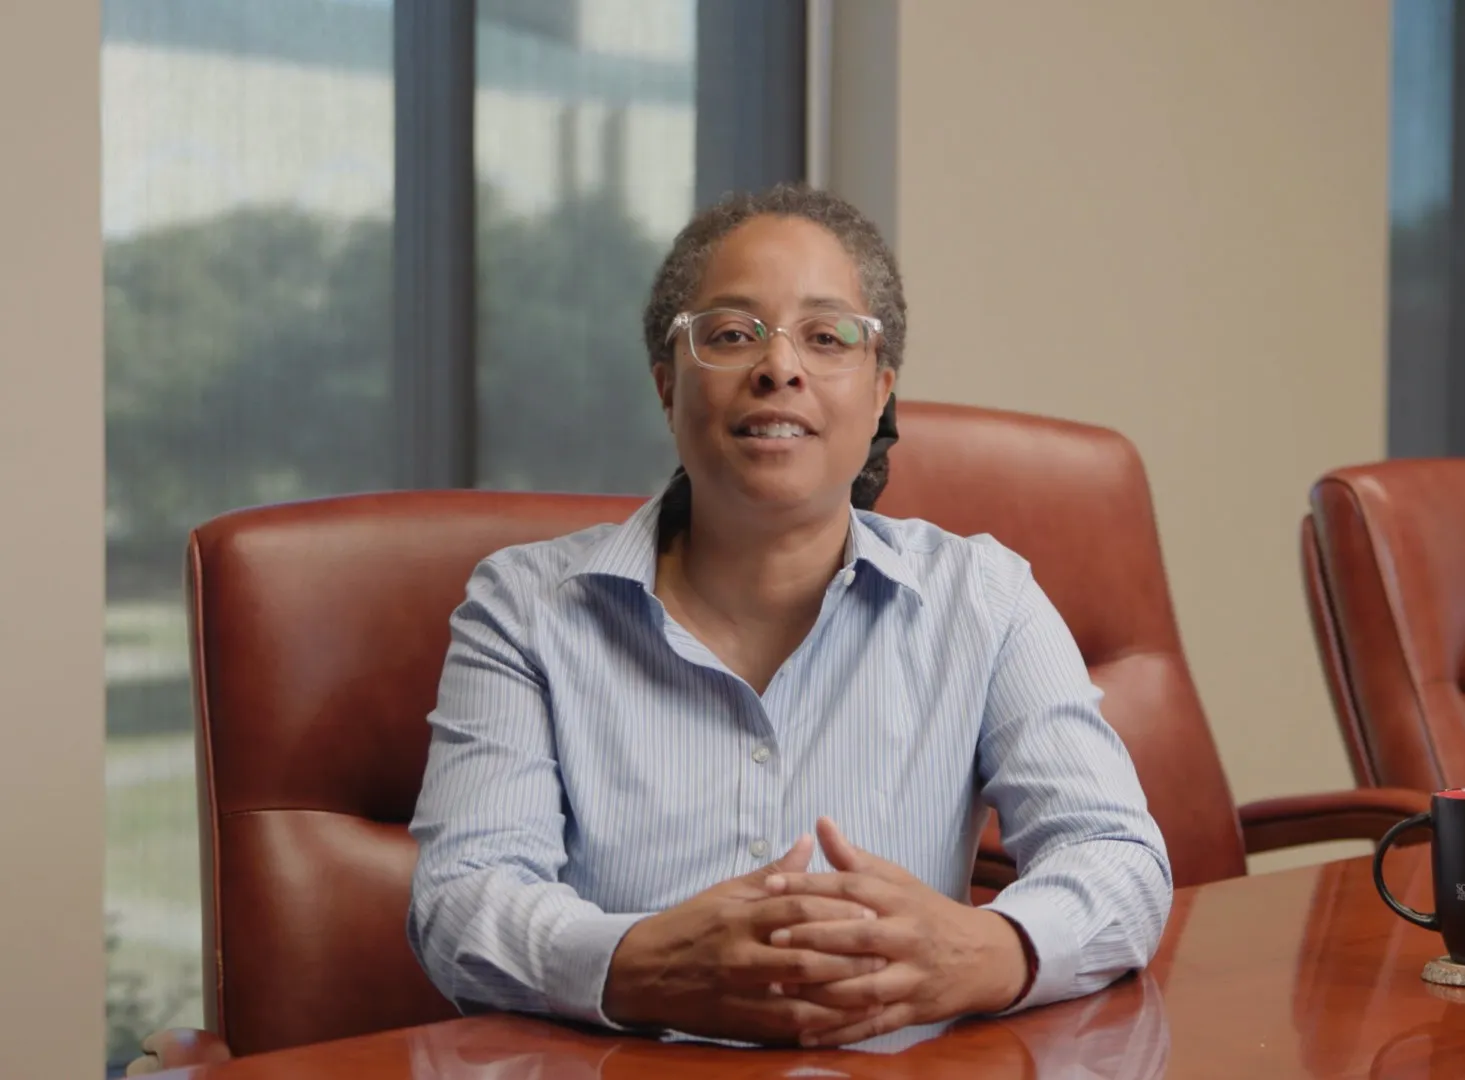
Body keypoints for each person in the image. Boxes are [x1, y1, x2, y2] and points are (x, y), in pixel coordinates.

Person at [406, 184, 1171, 1049]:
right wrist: (647, 962)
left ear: (882, 392)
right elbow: (461, 903)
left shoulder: (984, 600)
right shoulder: (524, 612)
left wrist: (986, 950)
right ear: (668, 385)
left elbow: (1120, 860)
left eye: (827, 335)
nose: (780, 367)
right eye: (732, 335)